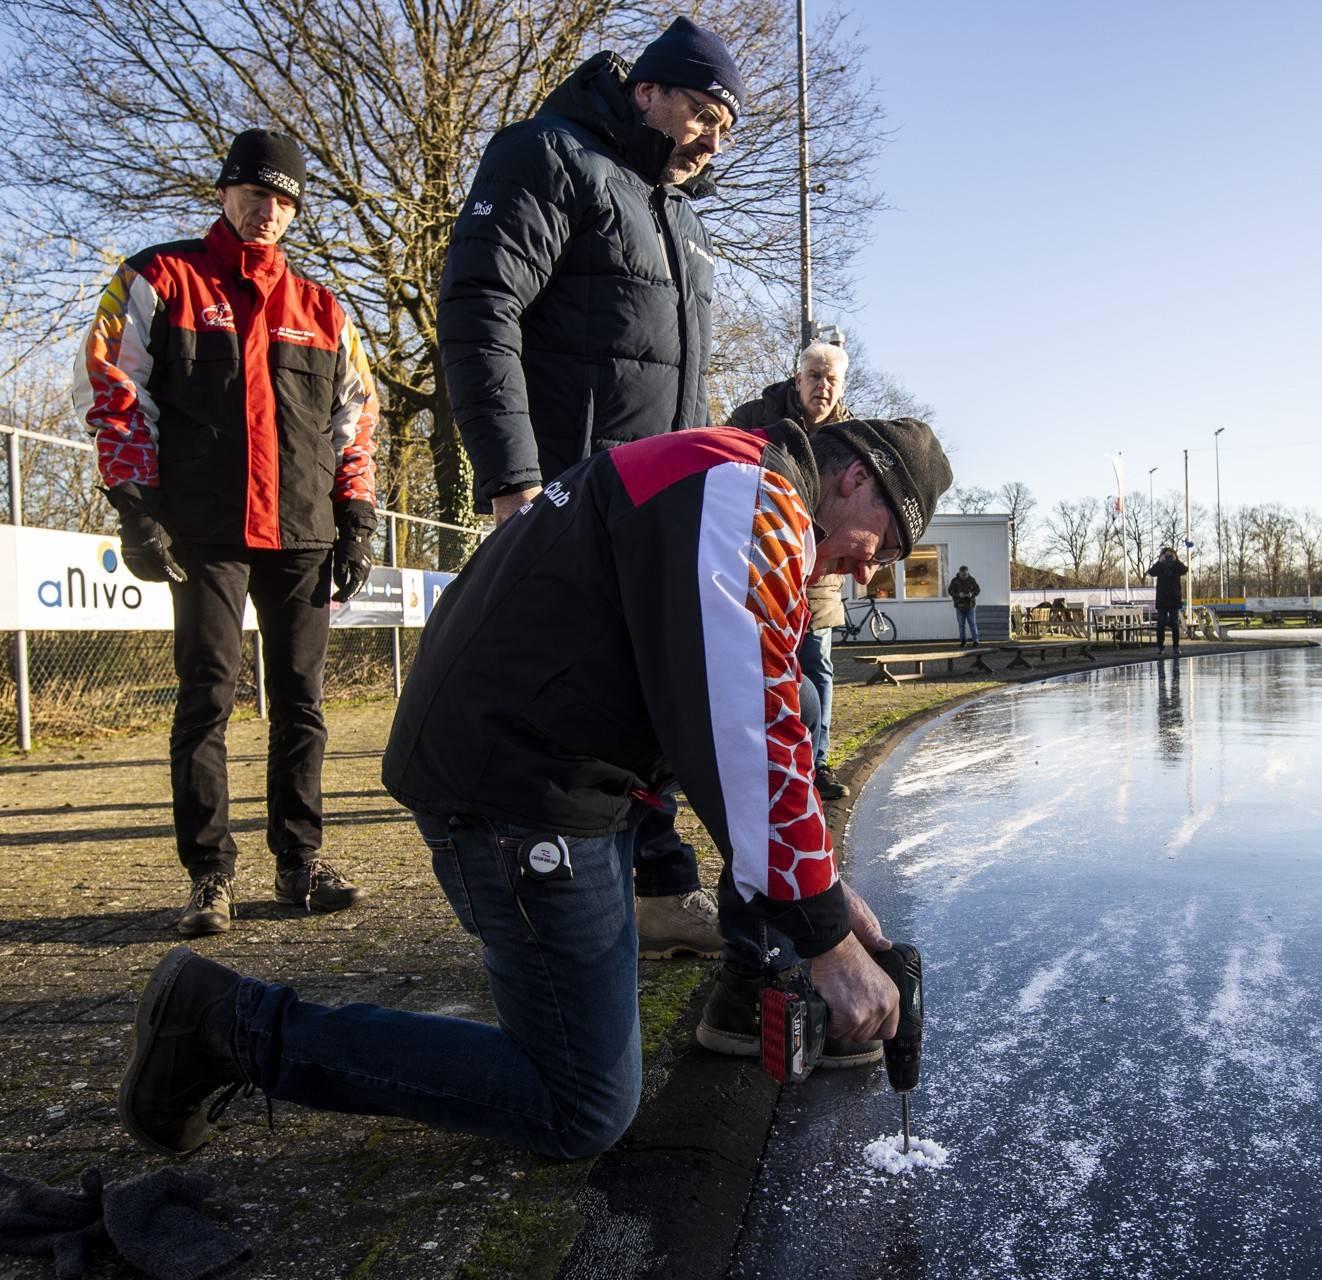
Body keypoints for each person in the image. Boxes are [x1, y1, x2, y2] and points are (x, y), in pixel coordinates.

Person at [115, 418, 952, 1162]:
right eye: (886, 540)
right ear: (855, 479)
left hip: (544, 760)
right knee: (581, 1104)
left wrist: (825, 892)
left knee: (591, 1044)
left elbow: (738, 708)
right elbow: (749, 733)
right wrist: (826, 942)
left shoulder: (720, 471)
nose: (871, 571)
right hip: (518, 789)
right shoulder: (751, 496)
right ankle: (230, 1026)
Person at [438, 16, 747, 957]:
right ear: (649, 88)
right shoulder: (548, 154)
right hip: (566, 492)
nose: (711, 138)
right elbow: (480, 305)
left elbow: (676, 379)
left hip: (650, 504)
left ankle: (655, 888)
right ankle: (535, 896)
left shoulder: (682, 220)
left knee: (643, 696)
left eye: (727, 128)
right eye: (703, 112)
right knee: (569, 697)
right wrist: (513, 480)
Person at [73, 129, 378, 938]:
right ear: (224, 191)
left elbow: (355, 422)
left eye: (285, 199)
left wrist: (359, 515)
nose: (268, 210)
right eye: (255, 192)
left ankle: (300, 862)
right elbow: (114, 391)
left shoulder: (324, 307)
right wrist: (134, 505)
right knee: (206, 700)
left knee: (302, 703)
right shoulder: (158, 276)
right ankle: (209, 875)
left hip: (305, 531)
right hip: (204, 531)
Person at [728, 340, 853, 798]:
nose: (822, 386)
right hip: (759, 564)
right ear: (798, 379)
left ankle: (815, 764)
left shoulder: (851, 437)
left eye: (831, 379)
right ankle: (761, 762)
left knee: (816, 663)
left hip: (819, 572)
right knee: (757, 662)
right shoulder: (756, 416)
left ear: (841, 387)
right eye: (814, 376)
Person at [1147, 547, 1189, 654]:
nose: (1168, 558)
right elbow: (1151, 572)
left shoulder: (1176, 566)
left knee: (1174, 624)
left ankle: (1176, 646)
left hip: (1174, 599)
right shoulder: (1160, 566)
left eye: (1170, 556)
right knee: (1160, 624)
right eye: (1166, 556)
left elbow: (1185, 569)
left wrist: (1176, 560)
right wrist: (1159, 562)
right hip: (1162, 599)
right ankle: (1160, 646)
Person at [948, 564, 981, 645]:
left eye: (966, 575)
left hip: (970, 606)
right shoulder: (954, 581)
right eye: (963, 575)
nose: (964, 576)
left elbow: (978, 590)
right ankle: (963, 641)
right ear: (959, 573)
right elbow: (950, 591)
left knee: (972, 624)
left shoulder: (972, 580)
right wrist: (958, 594)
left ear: (968, 573)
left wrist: (972, 594)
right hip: (959, 606)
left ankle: (976, 641)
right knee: (961, 625)